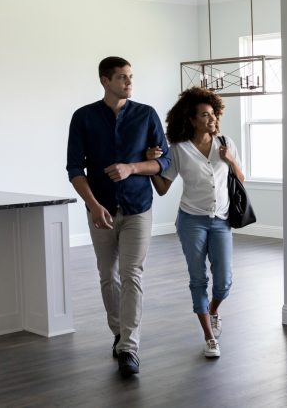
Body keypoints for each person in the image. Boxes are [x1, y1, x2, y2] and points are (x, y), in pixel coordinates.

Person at [66, 56, 170, 377]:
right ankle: (118, 332)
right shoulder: (83, 117)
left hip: (138, 207)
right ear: (104, 81)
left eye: (131, 77)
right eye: (122, 77)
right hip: (101, 210)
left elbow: (163, 164)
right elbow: (74, 169)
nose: (129, 82)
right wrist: (94, 205)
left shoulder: (146, 114)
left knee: (132, 274)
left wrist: (132, 167)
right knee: (107, 274)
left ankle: (129, 347)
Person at [146, 87, 243, 358]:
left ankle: (213, 311)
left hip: (221, 220)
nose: (211, 119)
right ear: (191, 119)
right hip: (191, 221)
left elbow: (241, 178)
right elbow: (163, 187)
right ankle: (209, 337)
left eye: (213, 114)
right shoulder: (178, 149)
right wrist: (149, 165)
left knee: (224, 282)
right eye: (204, 115)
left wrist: (230, 159)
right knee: (198, 278)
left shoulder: (225, 142)